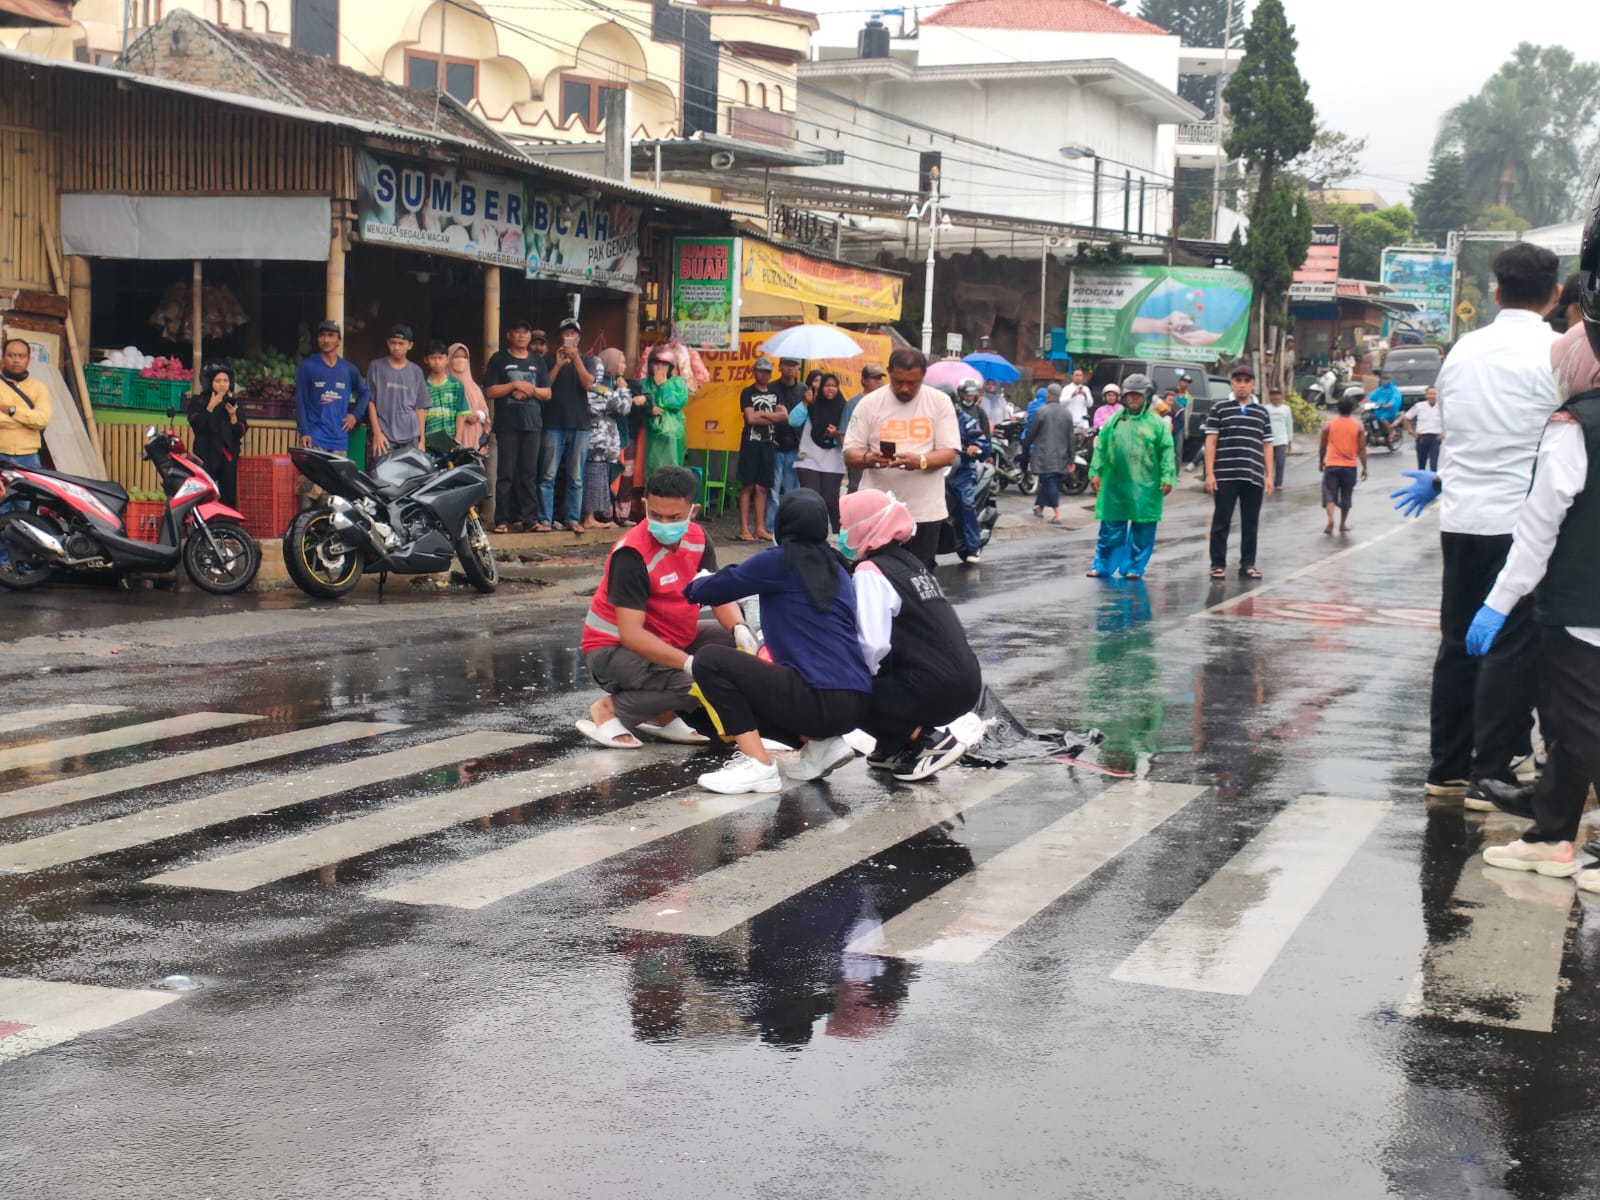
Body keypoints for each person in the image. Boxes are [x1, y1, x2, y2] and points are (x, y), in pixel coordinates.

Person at [1393, 242, 1561, 804]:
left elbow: (1459, 433)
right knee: (1511, 648)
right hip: (1523, 523)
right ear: (1554, 294)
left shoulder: (1463, 350)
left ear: (1494, 292)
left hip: (1461, 517)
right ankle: (1491, 771)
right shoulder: (1558, 352)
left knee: (1457, 644)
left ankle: (1446, 769)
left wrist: (1440, 479)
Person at [1471, 320, 1600, 879]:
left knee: (1587, 725)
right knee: (1571, 728)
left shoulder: (1576, 425)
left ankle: (1553, 835)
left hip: (1580, 603)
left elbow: (1538, 527)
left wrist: (1499, 601)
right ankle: (1551, 835)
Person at [682, 489, 875, 794]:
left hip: (815, 697)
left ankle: (758, 765)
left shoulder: (781, 561)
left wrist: (695, 582)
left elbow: (716, 589)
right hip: (855, 703)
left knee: (710, 661)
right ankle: (823, 747)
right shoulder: (837, 566)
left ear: (782, 524)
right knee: (765, 672)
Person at [577, 465, 742, 748]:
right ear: (645, 506)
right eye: (656, 515)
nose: (664, 524)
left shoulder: (699, 539)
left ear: (694, 511)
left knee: (737, 648)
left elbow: (716, 594)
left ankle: (660, 714)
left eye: (674, 517)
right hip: (614, 651)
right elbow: (632, 635)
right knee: (704, 682)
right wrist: (688, 663)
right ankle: (610, 710)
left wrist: (740, 629)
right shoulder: (632, 554)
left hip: (669, 638)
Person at [838, 489, 982, 781]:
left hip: (934, 688)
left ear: (865, 524)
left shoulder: (870, 570)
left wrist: (853, 683)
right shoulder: (912, 563)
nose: (841, 531)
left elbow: (872, 644)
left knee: (843, 691)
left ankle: (926, 740)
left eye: (845, 523)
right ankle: (897, 745)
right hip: (964, 682)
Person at [841, 347, 961, 567]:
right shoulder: (869, 403)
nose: (904, 388)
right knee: (876, 575)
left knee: (919, 577)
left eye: (912, 383)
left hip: (924, 512)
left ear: (923, 376)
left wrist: (920, 461)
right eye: (898, 382)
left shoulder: (940, 402)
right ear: (889, 372)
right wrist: (870, 458)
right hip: (877, 515)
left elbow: (949, 453)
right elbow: (850, 453)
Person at [1086, 373, 1175, 580]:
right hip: (1115, 483)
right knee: (1110, 527)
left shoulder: (1157, 423)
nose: (1133, 399)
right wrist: (1095, 472)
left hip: (1146, 485)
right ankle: (1103, 565)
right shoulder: (1115, 420)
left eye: (1138, 395)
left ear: (1147, 396)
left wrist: (1167, 477)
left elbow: (1167, 450)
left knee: (1143, 527)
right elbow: (1101, 446)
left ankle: (1134, 566)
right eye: (1130, 395)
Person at [1204, 363, 1274, 579]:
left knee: (1250, 522)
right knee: (1221, 521)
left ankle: (1248, 565)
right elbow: (1211, 442)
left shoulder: (1262, 412)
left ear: (1253, 384)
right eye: (1238, 381)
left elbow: (1267, 445)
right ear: (1232, 383)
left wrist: (1270, 475)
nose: (1242, 385)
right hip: (1225, 474)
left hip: (1253, 475)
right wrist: (1209, 473)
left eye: (1247, 381)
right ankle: (1217, 564)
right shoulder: (1219, 409)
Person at [484, 319, 550, 533]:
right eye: (517, 332)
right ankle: (502, 519)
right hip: (507, 425)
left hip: (533, 425)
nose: (522, 336)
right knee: (506, 474)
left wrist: (529, 390)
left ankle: (530, 519)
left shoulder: (537, 361)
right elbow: (490, 391)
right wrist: (513, 384)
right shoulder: (499, 359)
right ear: (509, 335)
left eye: (526, 332)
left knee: (529, 474)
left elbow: (547, 393)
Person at [294, 320, 369, 505]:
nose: (326, 340)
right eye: (322, 335)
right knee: (308, 490)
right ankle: (302, 530)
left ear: (339, 340)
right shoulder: (308, 366)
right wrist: (304, 431)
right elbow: (300, 401)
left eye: (330, 336)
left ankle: (325, 533)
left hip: (338, 439)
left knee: (332, 493)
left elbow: (365, 392)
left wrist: (355, 415)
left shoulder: (348, 369)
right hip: (314, 438)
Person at [537, 316, 594, 534]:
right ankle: (545, 520)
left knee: (576, 476)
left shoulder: (587, 360)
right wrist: (559, 365)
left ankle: (572, 519)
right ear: (560, 337)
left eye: (573, 333)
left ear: (578, 338)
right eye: (566, 333)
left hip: (580, 426)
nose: (570, 336)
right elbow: (543, 388)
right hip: (553, 424)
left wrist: (576, 359)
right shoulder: (549, 361)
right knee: (548, 475)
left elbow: (588, 384)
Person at [736, 355, 784, 542]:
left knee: (762, 487)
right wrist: (771, 415)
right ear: (754, 372)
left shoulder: (776, 393)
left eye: (767, 371)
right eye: (761, 371)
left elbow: (784, 417)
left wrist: (762, 414)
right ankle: (743, 528)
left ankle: (760, 528)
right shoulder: (747, 392)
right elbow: (750, 418)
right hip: (750, 442)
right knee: (747, 485)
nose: (764, 375)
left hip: (768, 443)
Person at [185, 363, 247, 507]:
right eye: (218, 381)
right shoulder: (198, 401)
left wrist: (233, 416)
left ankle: (227, 528)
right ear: (210, 382)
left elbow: (240, 431)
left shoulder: (233, 404)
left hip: (227, 456)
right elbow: (198, 425)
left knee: (228, 495)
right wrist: (210, 407)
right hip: (205, 453)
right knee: (204, 493)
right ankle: (203, 527)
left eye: (225, 381)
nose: (222, 385)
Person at [583, 349, 632, 529]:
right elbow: (623, 406)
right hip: (597, 442)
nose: (624, 366)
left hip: (602, 444)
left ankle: (594, 517)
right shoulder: (599, 387)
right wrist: (624, 390)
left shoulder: (606, 385)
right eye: (621, 361)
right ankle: (589, 518)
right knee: (593, 478)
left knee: (599, 478)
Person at [947, 380, 992, 564]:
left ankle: (973, 546)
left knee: (967, 503)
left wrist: (976, 446)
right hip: (936, 471)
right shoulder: (929, 421)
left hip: (962, 470)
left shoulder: (965, 419)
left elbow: (982, 438)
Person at [795, 371, 847, 533]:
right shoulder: (811, 404)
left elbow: (849, 434)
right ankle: (808, 533)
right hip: (807, 458)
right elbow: (792, 421)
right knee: (809, 499)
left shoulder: (843, 407)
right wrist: (805, 403)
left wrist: (836, 434)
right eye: (827, 385)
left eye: (834, 386)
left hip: (833, 460)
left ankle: (838, 535)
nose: (831, 389)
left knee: (831, 501)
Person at [366, 324, 427, 458]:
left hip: (411, 437)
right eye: (393, 343)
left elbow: (420, 407)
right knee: (383, 477)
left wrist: (422, 439)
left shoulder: (416, 371)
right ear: (387, 343)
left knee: (411, 477)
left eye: (401, 343)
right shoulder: (376, 367)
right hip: (384, 437)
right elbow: (370, 402)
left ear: (410, 345)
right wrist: (377, 433)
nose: (396, 347)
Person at [763, 357, 806, 536]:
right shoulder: (770, 389)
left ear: (798, 368)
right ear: (779, 367)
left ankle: (791, 526)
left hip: (796, 446)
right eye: (786, 365)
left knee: (792, 490)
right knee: (772, 490)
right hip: (775, 444)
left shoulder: (804, 390)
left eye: (793, 365)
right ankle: (771, 527)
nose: (790, 369)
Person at [1024, 379, 1076, 525]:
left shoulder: (1041, 412)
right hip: (1062, 455)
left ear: (1049, 395)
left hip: (1044, 455)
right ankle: (1039, 508)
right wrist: (1071, 458)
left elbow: (1031, 434)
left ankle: (1057, 514)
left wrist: (1025, 448)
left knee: (1050, 482)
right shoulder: (1067, 414)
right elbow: (1070, 437)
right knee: (1049, 482)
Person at [1317, 395, 1367, 535]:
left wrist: (1321, 461)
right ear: (1351, 409)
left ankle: (1331, 518)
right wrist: (1365, 467)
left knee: (1329, 494)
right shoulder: (1358, 425)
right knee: (1346, 495)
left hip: (1332, 464)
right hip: (1350, 466)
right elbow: (1362, 449)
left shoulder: (1329, 424)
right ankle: (1342, 524)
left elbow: (1323, 445)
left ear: (1338, 409)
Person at [0, 338, 50, 469]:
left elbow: (42, 420)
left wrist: (12, 411)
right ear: (3, 358)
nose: (16, 360)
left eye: (21, 356)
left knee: (29, 490)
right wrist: (26, 421)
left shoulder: (39, 388)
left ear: (28, 359)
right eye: (11, 355)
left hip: (29, 457)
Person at [641, 346, 689, 477]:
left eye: (664, 364)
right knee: (651, 471)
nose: (660, 367)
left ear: (670, 367)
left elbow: (677, 402)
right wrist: (649, 409)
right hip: (649, 434)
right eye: (656, 363)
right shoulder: (644, 384)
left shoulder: (677, 383)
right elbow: (637, 403)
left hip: (671, 434)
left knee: (671, 470)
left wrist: (663, 386)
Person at [418, 341, 469, 453]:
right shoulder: (422, 385)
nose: (437, 362)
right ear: (426, 360)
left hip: (450, 441)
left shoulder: (456, 385)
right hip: (428, 441)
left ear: (447, 359)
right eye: (433, 358)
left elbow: (460, 413)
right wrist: (421, 440)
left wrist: (458, 439)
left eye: (440, 358)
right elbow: (418, 412)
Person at [841, 363, 883, 495]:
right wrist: (853, 457)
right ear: (863, 380)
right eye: (873, 378)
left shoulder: (885, 402)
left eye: (879, 378)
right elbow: (844, 435)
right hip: (861, 460)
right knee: (857, 492)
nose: (878, 381)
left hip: (881, 460)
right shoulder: (853, 404)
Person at [447, 342, 490, 458]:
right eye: (456, 357)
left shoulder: (474, 387)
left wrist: (478, 415)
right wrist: (465, 416)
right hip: (454, 435)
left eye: (464, 357)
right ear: (449, 359)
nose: (461, 360)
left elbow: (485, 410)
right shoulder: (446, 384)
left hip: (474, 436)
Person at [1405, 385, 1443, 471]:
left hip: (1435, 438)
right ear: (1426, 395)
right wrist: (1411, 432)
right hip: (1422, 438)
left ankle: (1433, 483)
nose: (1432, 396)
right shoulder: (1419, 406)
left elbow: (1449, 420)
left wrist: (1444, 433)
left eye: (1434, 394)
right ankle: (1421, 482)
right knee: (1421, 465)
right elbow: (1406, 418)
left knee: (1433, 464)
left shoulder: (1442, 407)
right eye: (1430, 394)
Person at [1266, 386, 1294, 489]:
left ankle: (1278, 483)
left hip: (1282, 440)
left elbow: (1289, 425)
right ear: (1270, 397)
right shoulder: (1266, 409)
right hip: (1269, 440)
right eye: (1273, 395)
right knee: (1268, 463)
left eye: (1277, 395)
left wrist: (1290, 441)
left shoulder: (1286, 409)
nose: (1275, 397)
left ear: (1281, 396)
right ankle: (1269, 480)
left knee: (1280, 462)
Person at [1367, 375, 1403, 447]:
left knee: (1382, 418)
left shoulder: (1394, 390)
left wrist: (1389, 404)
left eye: (1387, 380)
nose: (1386, 381)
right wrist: (1362, 402)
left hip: (1390, 410)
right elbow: (1371, 396)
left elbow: (1395, 398)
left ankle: (1391, 431)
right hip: (1379, 408)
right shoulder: (1380, 389)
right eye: (1384, 380)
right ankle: (1375, 432)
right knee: (1370, 417)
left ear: (1391, 380)